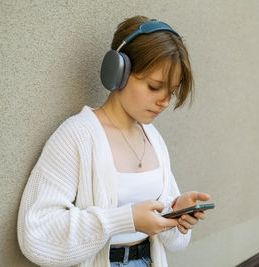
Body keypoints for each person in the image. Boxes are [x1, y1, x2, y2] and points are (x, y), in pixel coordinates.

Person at [17, 15, 210, 267]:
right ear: (118, 71)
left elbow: (176, 243)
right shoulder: (77, 136)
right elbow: (36, 235)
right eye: (154, 87)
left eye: (171, 92)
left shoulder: (154, 138)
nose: (164, 101)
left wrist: (175, 212)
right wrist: (125, 219)